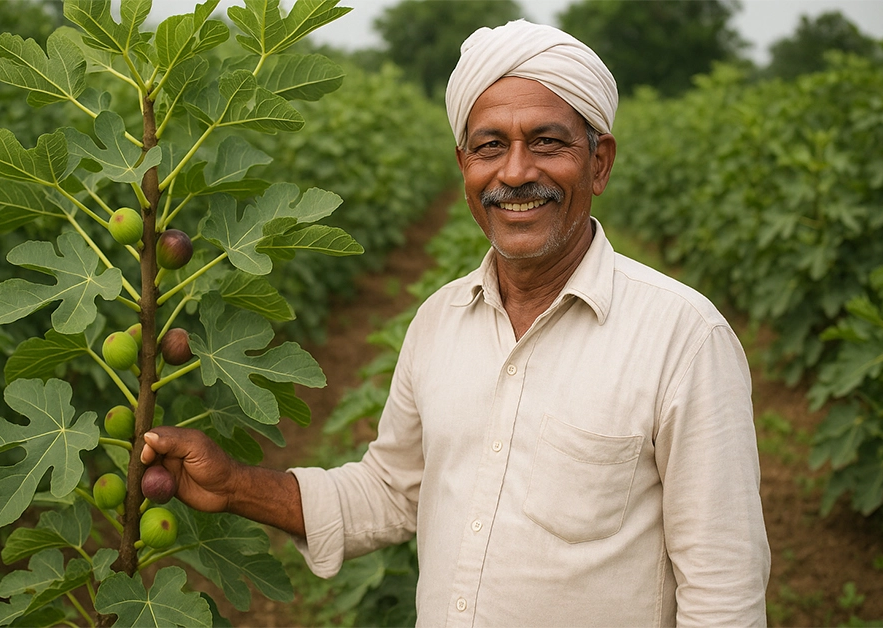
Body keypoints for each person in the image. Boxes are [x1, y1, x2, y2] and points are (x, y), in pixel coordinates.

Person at [141, 19, 771, 627]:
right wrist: (234, 486)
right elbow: (392, 491)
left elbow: (723, 587)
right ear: (464, 167)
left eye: (548, 142)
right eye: (490, 146)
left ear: (599, 162)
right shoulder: (438, 321)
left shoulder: (685, 338)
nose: (516, 172)